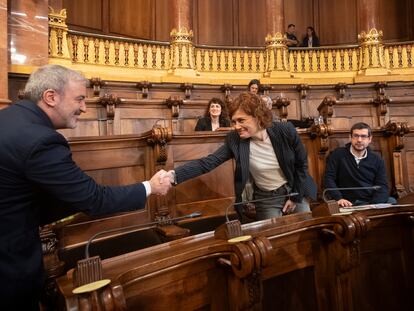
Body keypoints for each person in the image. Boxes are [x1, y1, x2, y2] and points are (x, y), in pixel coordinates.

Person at [0, 64, 171, 310]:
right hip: (9, 268)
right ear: (51, 97)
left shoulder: (9, 118)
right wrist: (150, 187)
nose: (83, 107)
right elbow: (94, 199)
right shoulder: (40, 140)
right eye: (79, 99)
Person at [167, 92, 316, 221]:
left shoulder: (285, 131)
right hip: (267, 197)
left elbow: (301, 165)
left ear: (258, 118)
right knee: (272, 238)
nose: (236, 126)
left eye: (241, 120)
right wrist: (173, 176)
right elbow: (208, 163)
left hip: (295, 188)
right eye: (234, 121)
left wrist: (295, 198)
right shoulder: (235, 140)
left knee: (306, 232)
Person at [324, 122, 396, 207]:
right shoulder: (338, 155)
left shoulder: (377, 159)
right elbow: (329, 179)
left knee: (392, 201)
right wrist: (339, 198)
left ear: (370, 139)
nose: (359, 140)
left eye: (363, 136)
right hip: (347, 203)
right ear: (350, 137)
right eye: (356, 136)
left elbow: (382, 186)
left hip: (370, 202)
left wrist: (374, 205)